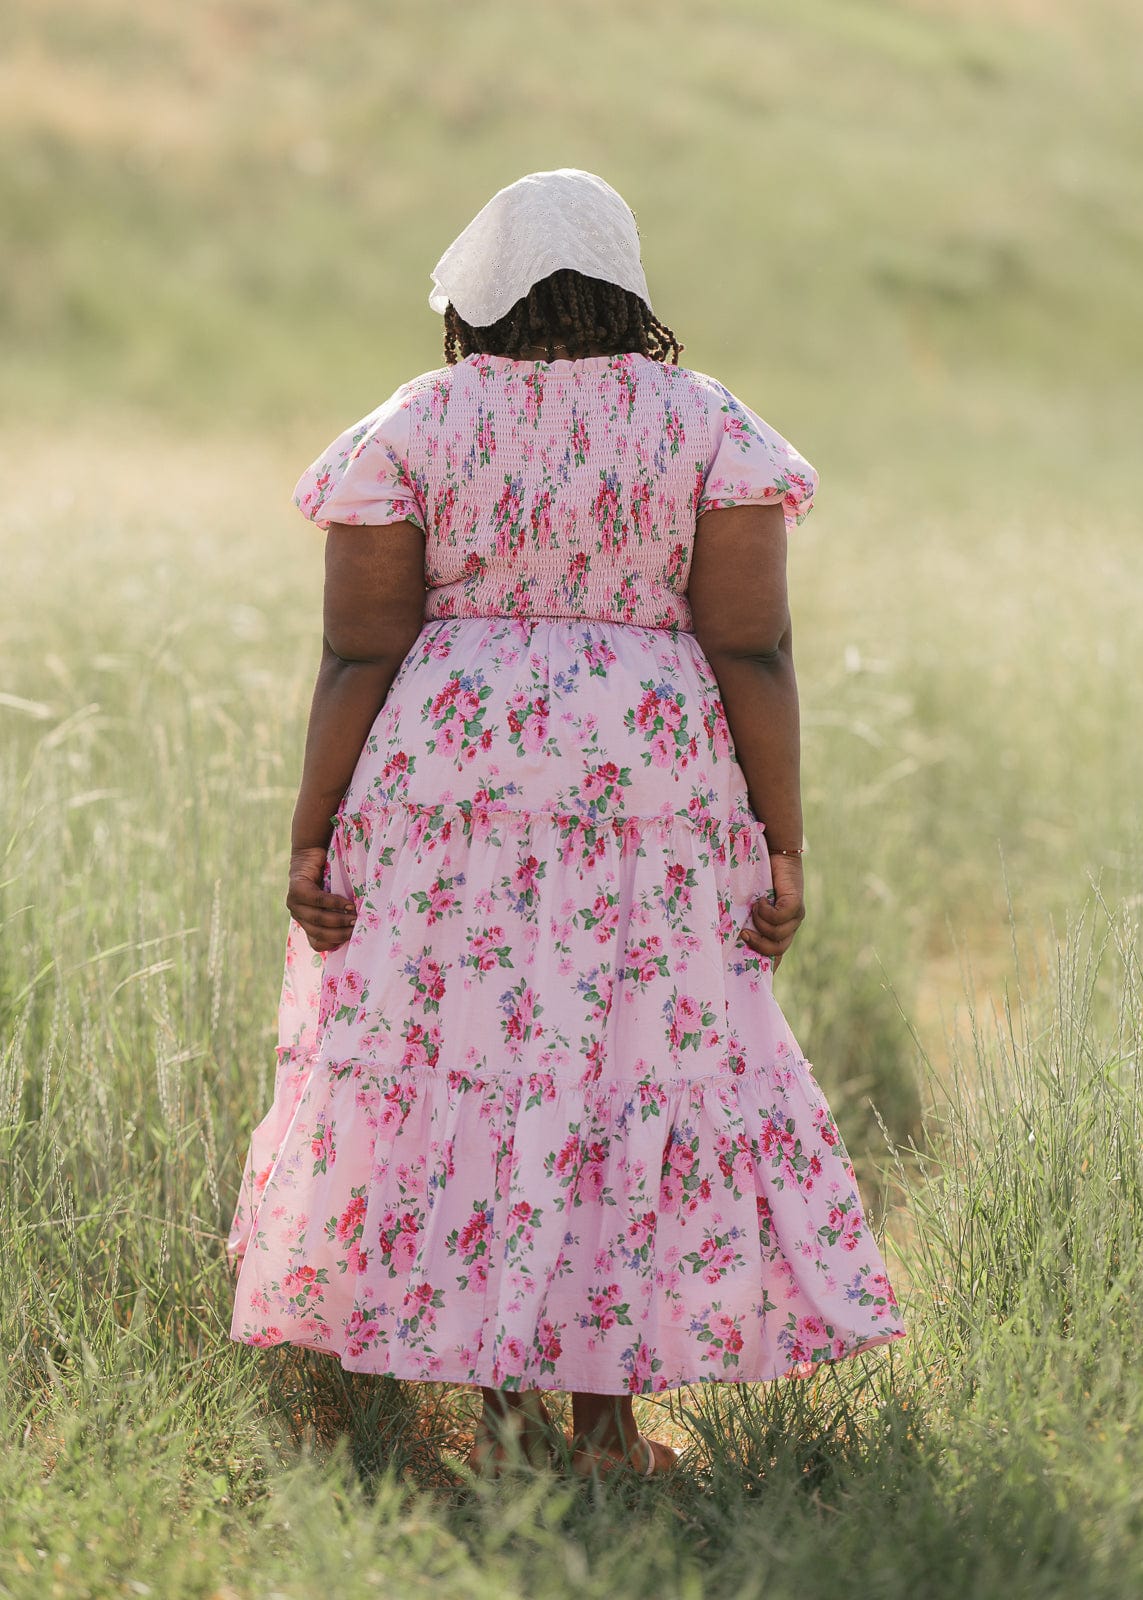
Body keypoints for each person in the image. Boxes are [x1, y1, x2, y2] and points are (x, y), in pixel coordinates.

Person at [227, 169, 905, 1477]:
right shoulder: (703, 424)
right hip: (648, 789)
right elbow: (752, 647)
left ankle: (503, 1425)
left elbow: (357, 651)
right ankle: (603, 1429)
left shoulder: (416, 424)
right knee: (622, 1068)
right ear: (627, 280)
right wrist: (784, 843)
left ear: (478, 290)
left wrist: (312, 834)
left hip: (449, 792)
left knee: (476, 1065)